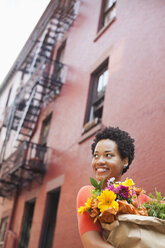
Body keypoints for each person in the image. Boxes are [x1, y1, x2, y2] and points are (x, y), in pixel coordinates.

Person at [76, 126, 149, 248]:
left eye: (108, 155)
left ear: (125, 161)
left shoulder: (141, 198)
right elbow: (91, 243)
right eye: (96, 155)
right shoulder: (88, 193)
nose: (99, 161)